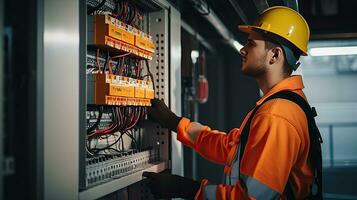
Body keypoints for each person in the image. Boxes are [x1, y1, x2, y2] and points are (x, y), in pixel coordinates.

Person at [143, 6, 321, 199]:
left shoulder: (277, 115)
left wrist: (186, 189)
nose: (243, 50)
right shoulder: (281, 105)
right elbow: (231, 148)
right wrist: (175, 123)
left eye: (251, 44)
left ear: (275, 55)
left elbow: (250, 198)